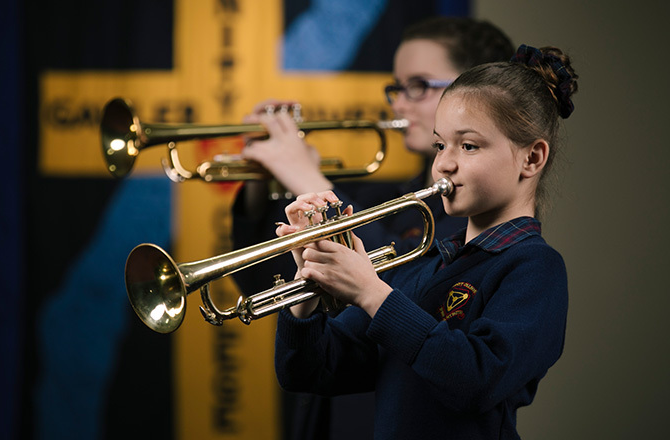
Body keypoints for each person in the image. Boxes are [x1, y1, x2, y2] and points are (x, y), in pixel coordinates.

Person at [230, 16, 515, 440]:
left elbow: (404, 280)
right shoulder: (396, 198)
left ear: (475, 89)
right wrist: (263, 183)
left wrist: (308, 177)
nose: (399, 103)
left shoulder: (479, 219)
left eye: (417, 85)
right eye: (397, 88)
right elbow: (260, 283)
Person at [273, 44, 577, 439]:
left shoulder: (534, 268)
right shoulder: (428, 264)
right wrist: (307, 287)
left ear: (532, 159)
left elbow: (475, 380)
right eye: (439, 145)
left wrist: (371, 292)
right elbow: (311, 371)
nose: (444, 163)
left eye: (468, 145)